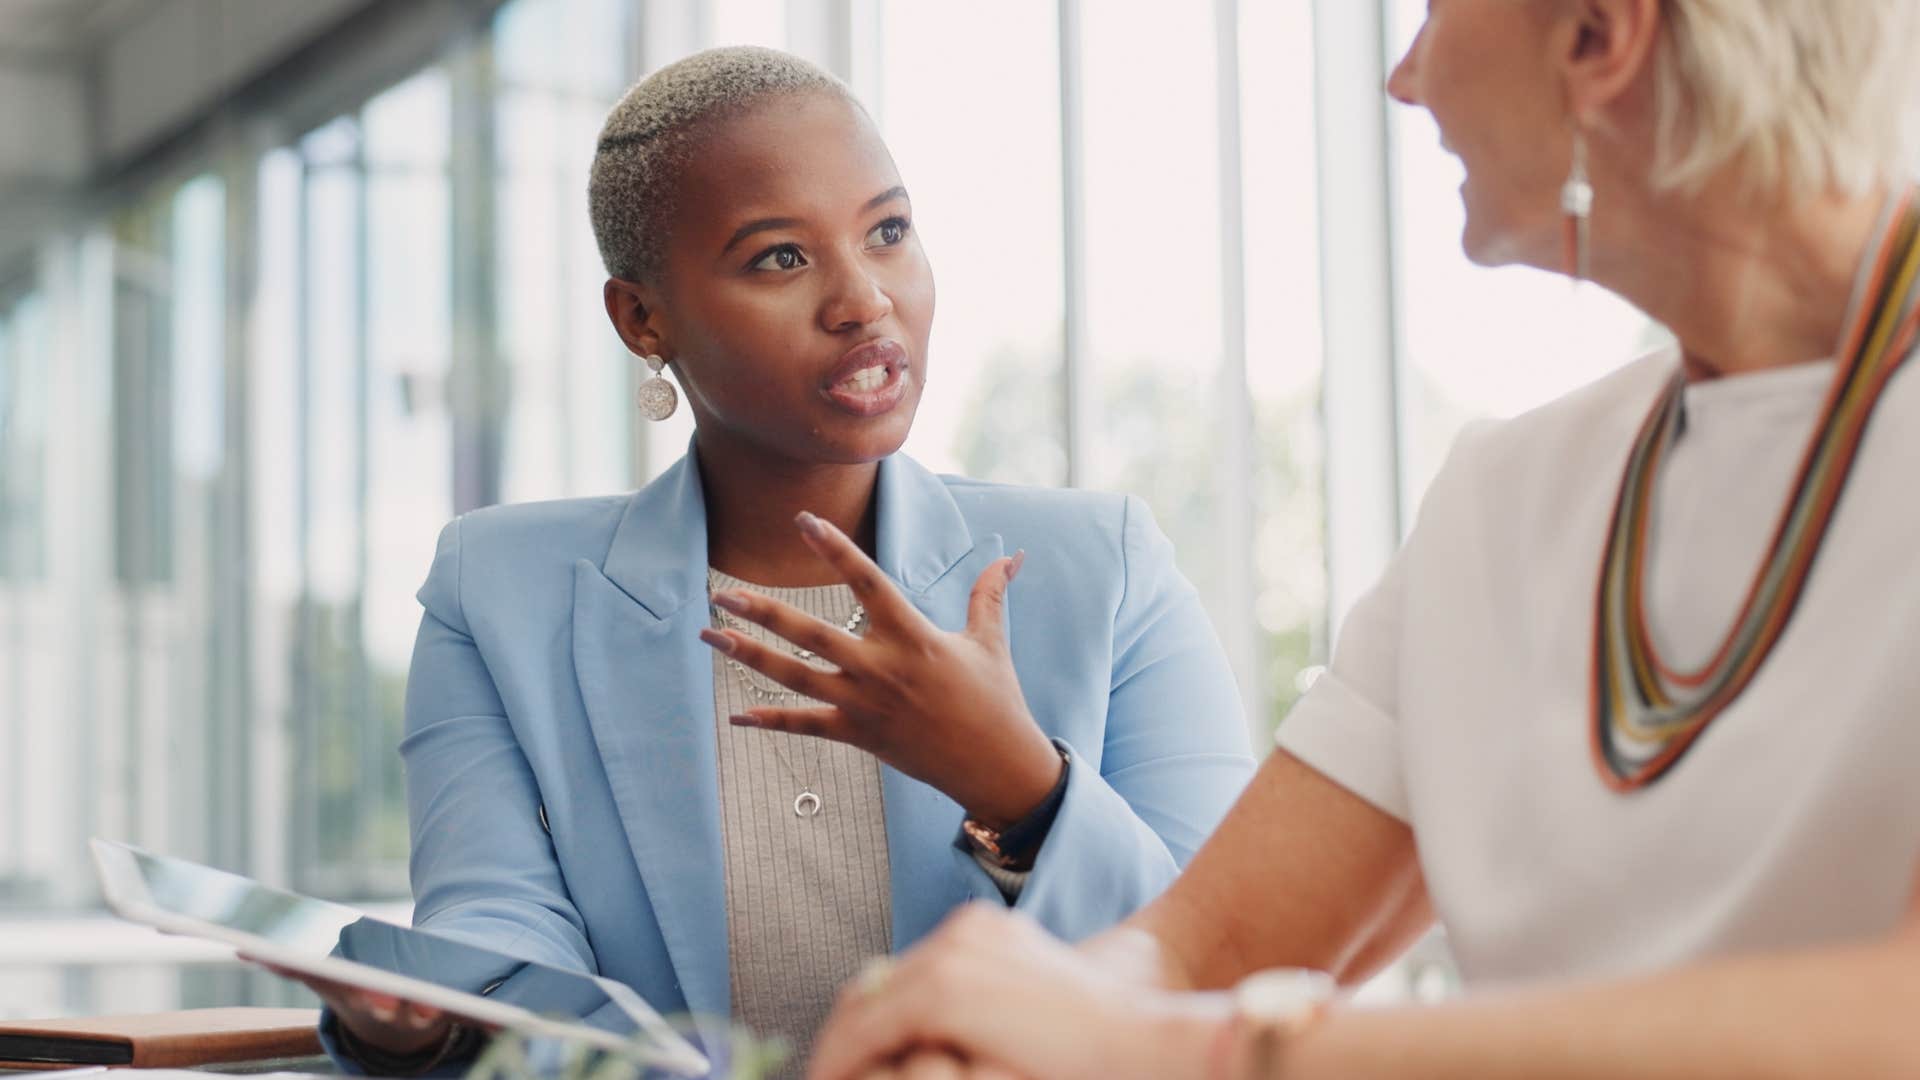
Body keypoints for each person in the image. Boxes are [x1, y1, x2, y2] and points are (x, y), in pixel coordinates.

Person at [742, 1, 1920, 1077]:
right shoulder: (1507, 492)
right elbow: (1200, 949)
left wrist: (1205, 1051)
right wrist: (986, 1030)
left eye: (1433, 15)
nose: (1404, 79)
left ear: (1598, 37)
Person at [282, 45, 1255, 1077]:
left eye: (889, 232)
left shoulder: (1103, 567)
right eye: (780, 258)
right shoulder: (498, 593)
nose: (863, 299)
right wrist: (424, 1014)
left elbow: (1236, 955)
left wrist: (1023, 788)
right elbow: (501, 925)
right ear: (641, 318)